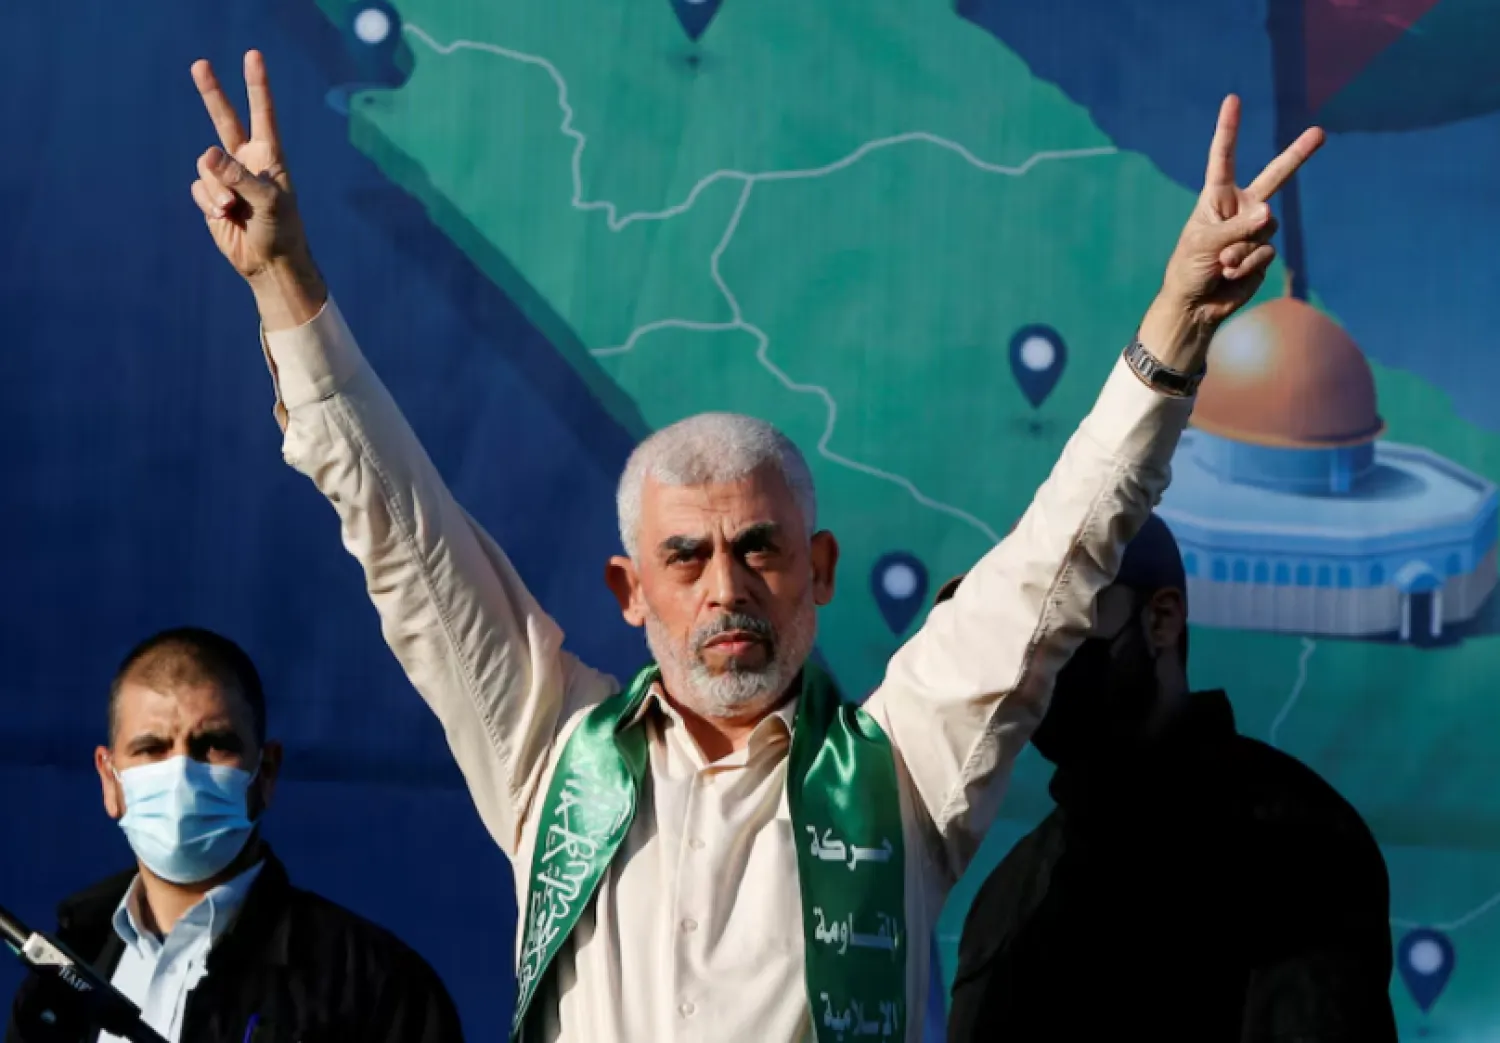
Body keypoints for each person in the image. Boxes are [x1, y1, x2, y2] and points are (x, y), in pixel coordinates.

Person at [182, 47, 1321, 1042]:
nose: (727, 585)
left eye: (760, 549)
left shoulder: (905, 765)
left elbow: (1058, 557)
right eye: (686, 557)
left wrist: (1176, 326)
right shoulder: (549, 753)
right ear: (630, 589)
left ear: (818, 573)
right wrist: (287, 283)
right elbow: (404, 533)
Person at [944, 516, 1397, 1042]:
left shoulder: (1291, 843)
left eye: (1055, 619)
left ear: (1161, 620)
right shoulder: (1009, 891)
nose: (1028, 660)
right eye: (1012, 633)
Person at [5, 628, 463, 1043]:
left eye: (213, 746)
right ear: (110, 781)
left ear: (265, 772)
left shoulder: (373, 989)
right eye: (152, 749)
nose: (180, 772)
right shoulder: (58, 984)